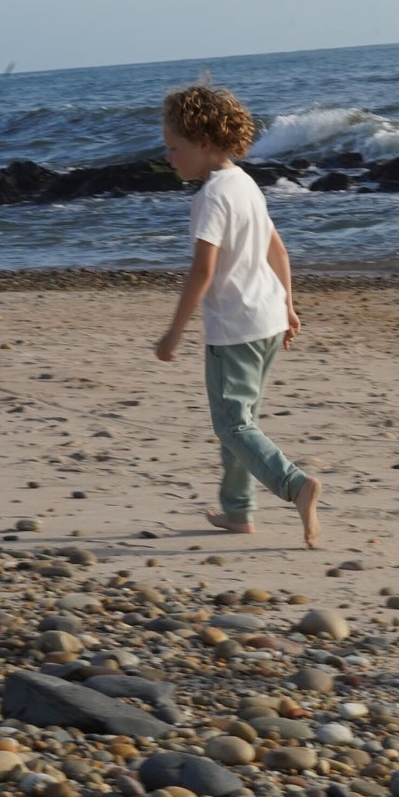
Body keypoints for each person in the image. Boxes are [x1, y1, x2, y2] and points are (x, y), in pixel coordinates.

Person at [154, 82, 321, 548]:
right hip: (267, 320)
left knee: (232, 424)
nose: (168, 157)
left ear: (203, 142)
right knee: (238, 419)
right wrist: (288, 305)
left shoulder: (211, 197)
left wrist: (173, 332)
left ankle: (296, 486)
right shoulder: (245, 184)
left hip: (235, 330)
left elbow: (202, 269)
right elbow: (277, 249)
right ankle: (238, 511)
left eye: (173, 147)